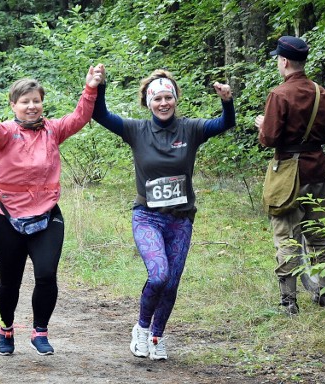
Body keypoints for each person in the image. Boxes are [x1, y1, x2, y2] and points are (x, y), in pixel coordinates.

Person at [0, 64, 104, 356]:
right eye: (25, 101)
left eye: (36, 100)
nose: (32, 106)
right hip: (7, 219)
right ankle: (6, 327)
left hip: (47, 216)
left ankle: (40, 331)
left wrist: (90, 88)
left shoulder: (53, 130)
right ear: (14, 105)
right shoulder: (6, 134)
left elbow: (79, 117)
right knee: (10, 282)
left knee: (46, 274)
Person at [92, 67, 235, 360]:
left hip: (181, 218)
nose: (163, 103)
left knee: (171, 282)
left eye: (168, 97)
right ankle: (142, 330)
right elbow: (101, 115)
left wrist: (227, 101)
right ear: (148, 102)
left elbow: (224, 123)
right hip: (147, 215)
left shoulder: (191, 129)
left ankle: (157, 337)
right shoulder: (136, 130)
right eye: (157, 98)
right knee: (158, 275)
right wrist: (100, 87)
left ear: (176, 99)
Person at [255, 36, 325, 315]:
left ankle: (288, 301)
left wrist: (263, 126)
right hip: (317, 169)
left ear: (285, 61)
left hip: (288, 170)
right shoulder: (322, 93)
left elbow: (270, 138)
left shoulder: (279, 95)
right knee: (318, 235)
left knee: (286, 234)